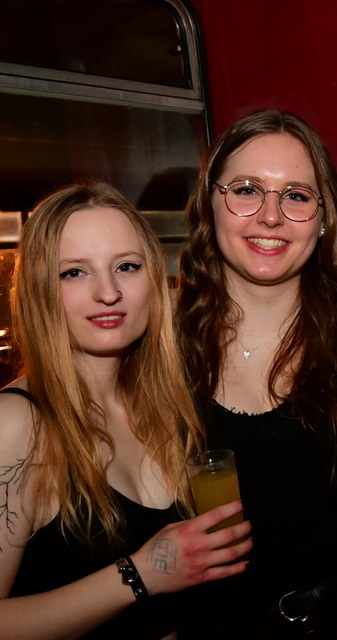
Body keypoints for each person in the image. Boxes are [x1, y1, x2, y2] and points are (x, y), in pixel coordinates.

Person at [0, 183, 252, 640]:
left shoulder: (164, 405)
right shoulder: (16, 423)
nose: (109, 292)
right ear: (38, 290)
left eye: (127, 267)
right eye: (73, 272)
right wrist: (140, 575)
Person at [177, 109, 337, 637]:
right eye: (246, 190)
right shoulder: (161, 339)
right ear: (210, 203)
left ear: (324, 217)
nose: (270, 217)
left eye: (296, 195)